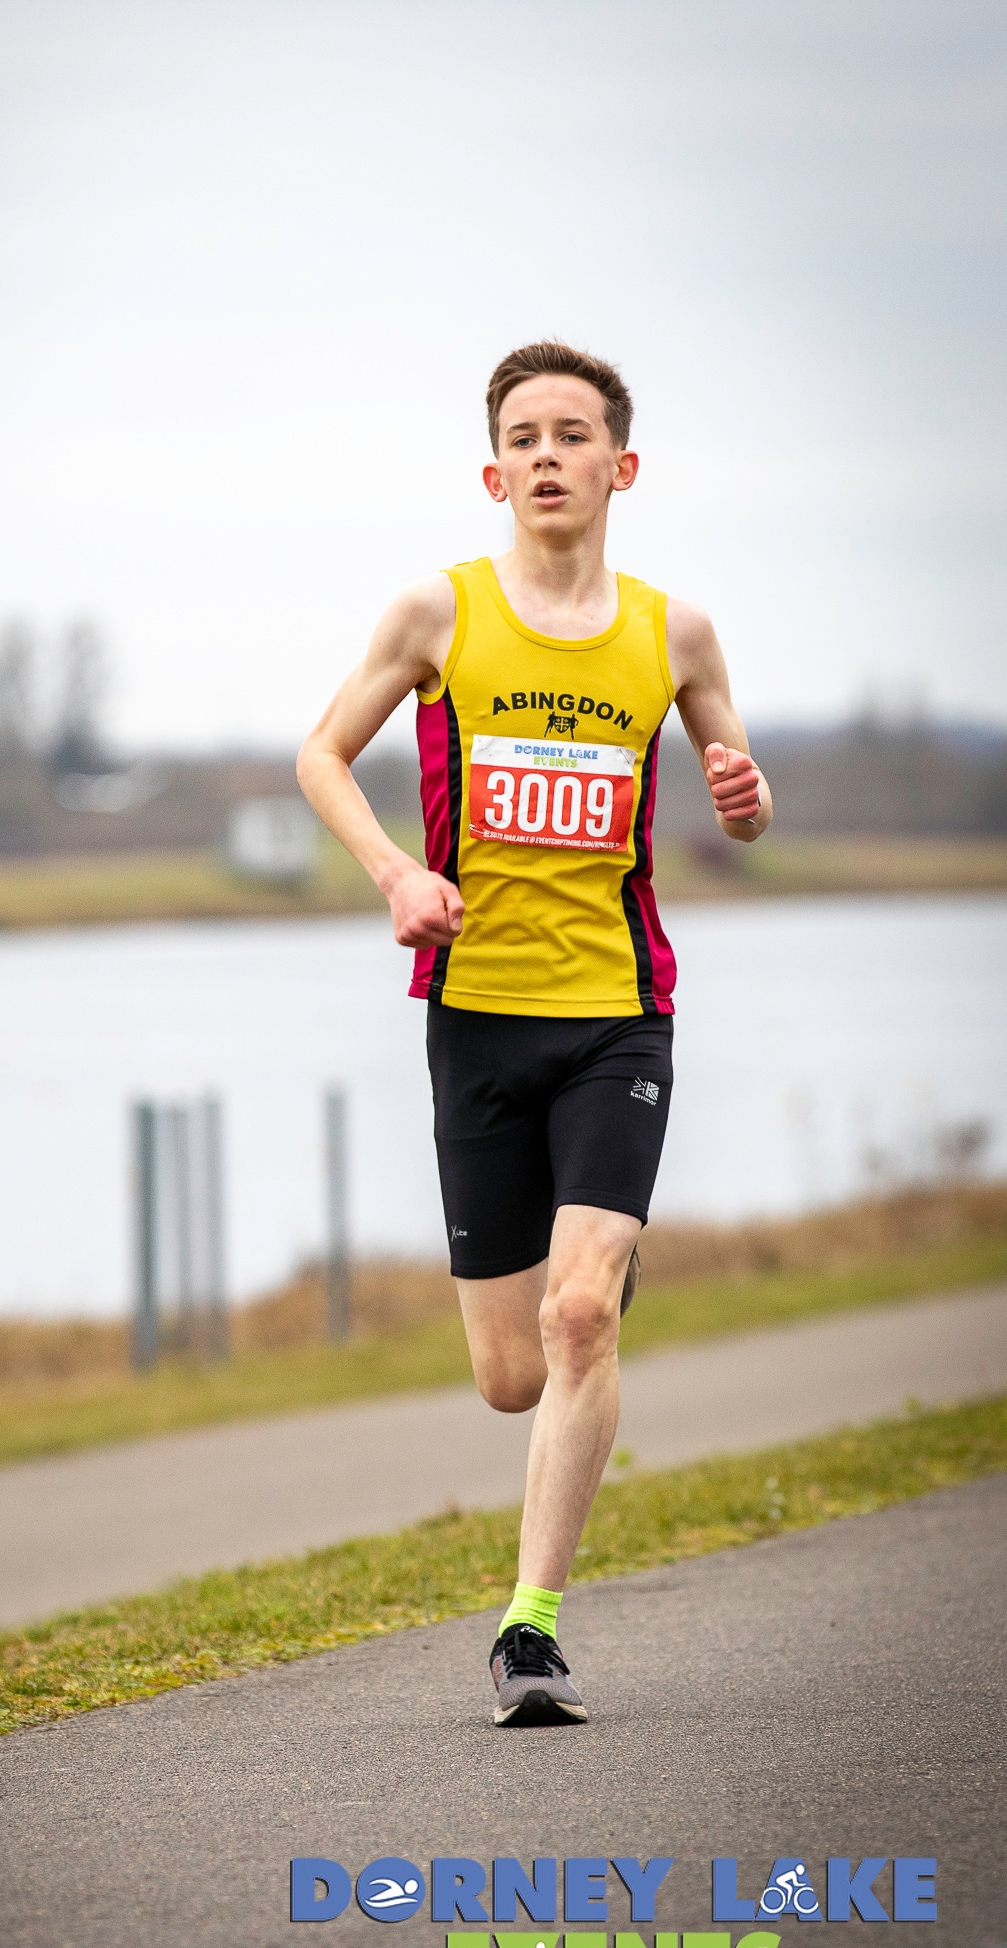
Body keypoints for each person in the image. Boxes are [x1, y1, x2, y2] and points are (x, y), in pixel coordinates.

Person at [297, 339, 772, 1725]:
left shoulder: (673, 633)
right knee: (513, 1375)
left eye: (573, 433)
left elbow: (739, 795)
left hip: (619, 1018)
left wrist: (745, 802)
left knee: (575, 1320)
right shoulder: (435, 615)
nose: (548, 454)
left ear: (622, 466)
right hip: (477, 1023)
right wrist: (398, 874)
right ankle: (592, 1274)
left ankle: (531, 1630)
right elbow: (320, 756)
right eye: (524, 436)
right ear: (493, 474)